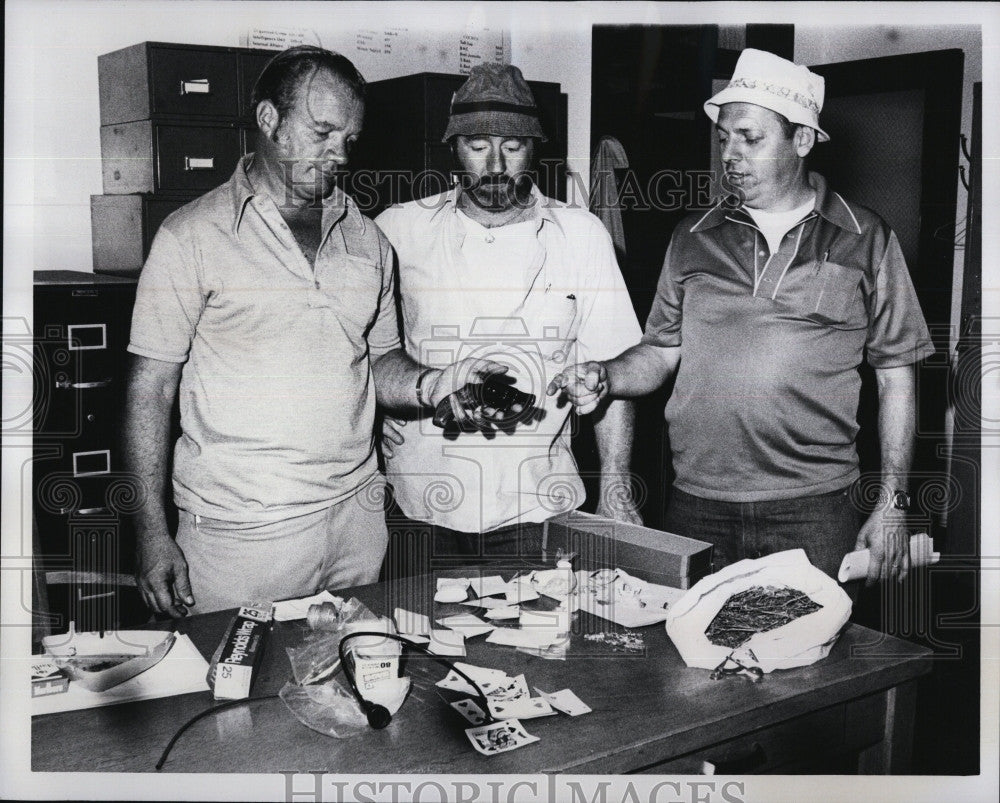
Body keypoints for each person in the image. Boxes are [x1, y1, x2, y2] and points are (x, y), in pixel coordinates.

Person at [124, 46, 503, 616]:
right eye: (322, 131)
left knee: (349, 691)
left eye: (348, 139)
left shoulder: (367, 238)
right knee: (234, 697)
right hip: (242, 534)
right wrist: (151, 530)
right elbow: (149, 389)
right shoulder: (191, 237)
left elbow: (381, 362)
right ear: (269, 120)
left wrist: (440, 383)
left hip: (358, 522)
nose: (338, 153)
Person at [548, 49, 934, 585]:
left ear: (801, 141)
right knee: (694, 660)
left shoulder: (866, 238)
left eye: (750, 139)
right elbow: (660, 353)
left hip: (816, 508)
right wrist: (607, 375)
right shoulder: (692, 236)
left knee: (811, 665)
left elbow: (897, 379)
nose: (730, 154)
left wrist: (892, 501)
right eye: (724, 137)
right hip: (697, 504)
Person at [375, 63, 643, 562]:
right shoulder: (397, 230)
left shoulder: (581, 236)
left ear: (535, 149)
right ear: (453, 147)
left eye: (513, 146)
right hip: (418, 504)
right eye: (478, 147)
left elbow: (615, 372)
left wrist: (615, 485)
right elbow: (364, 352)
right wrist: (372, 419)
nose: (495, 165)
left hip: (537, 505)